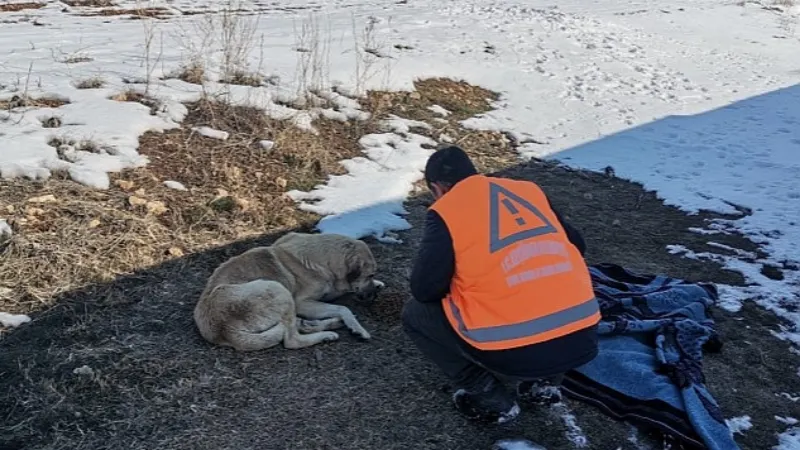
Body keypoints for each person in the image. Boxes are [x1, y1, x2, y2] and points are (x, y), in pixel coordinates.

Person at [402, 145, 600, 425]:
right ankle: (544, 384)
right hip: (582, 339)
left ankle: (490, 398)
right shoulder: (528, 190)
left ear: (438, 188)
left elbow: (424, 289)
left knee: (414, 314)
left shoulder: (446, 209)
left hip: (511, 351)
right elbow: (577, 245)